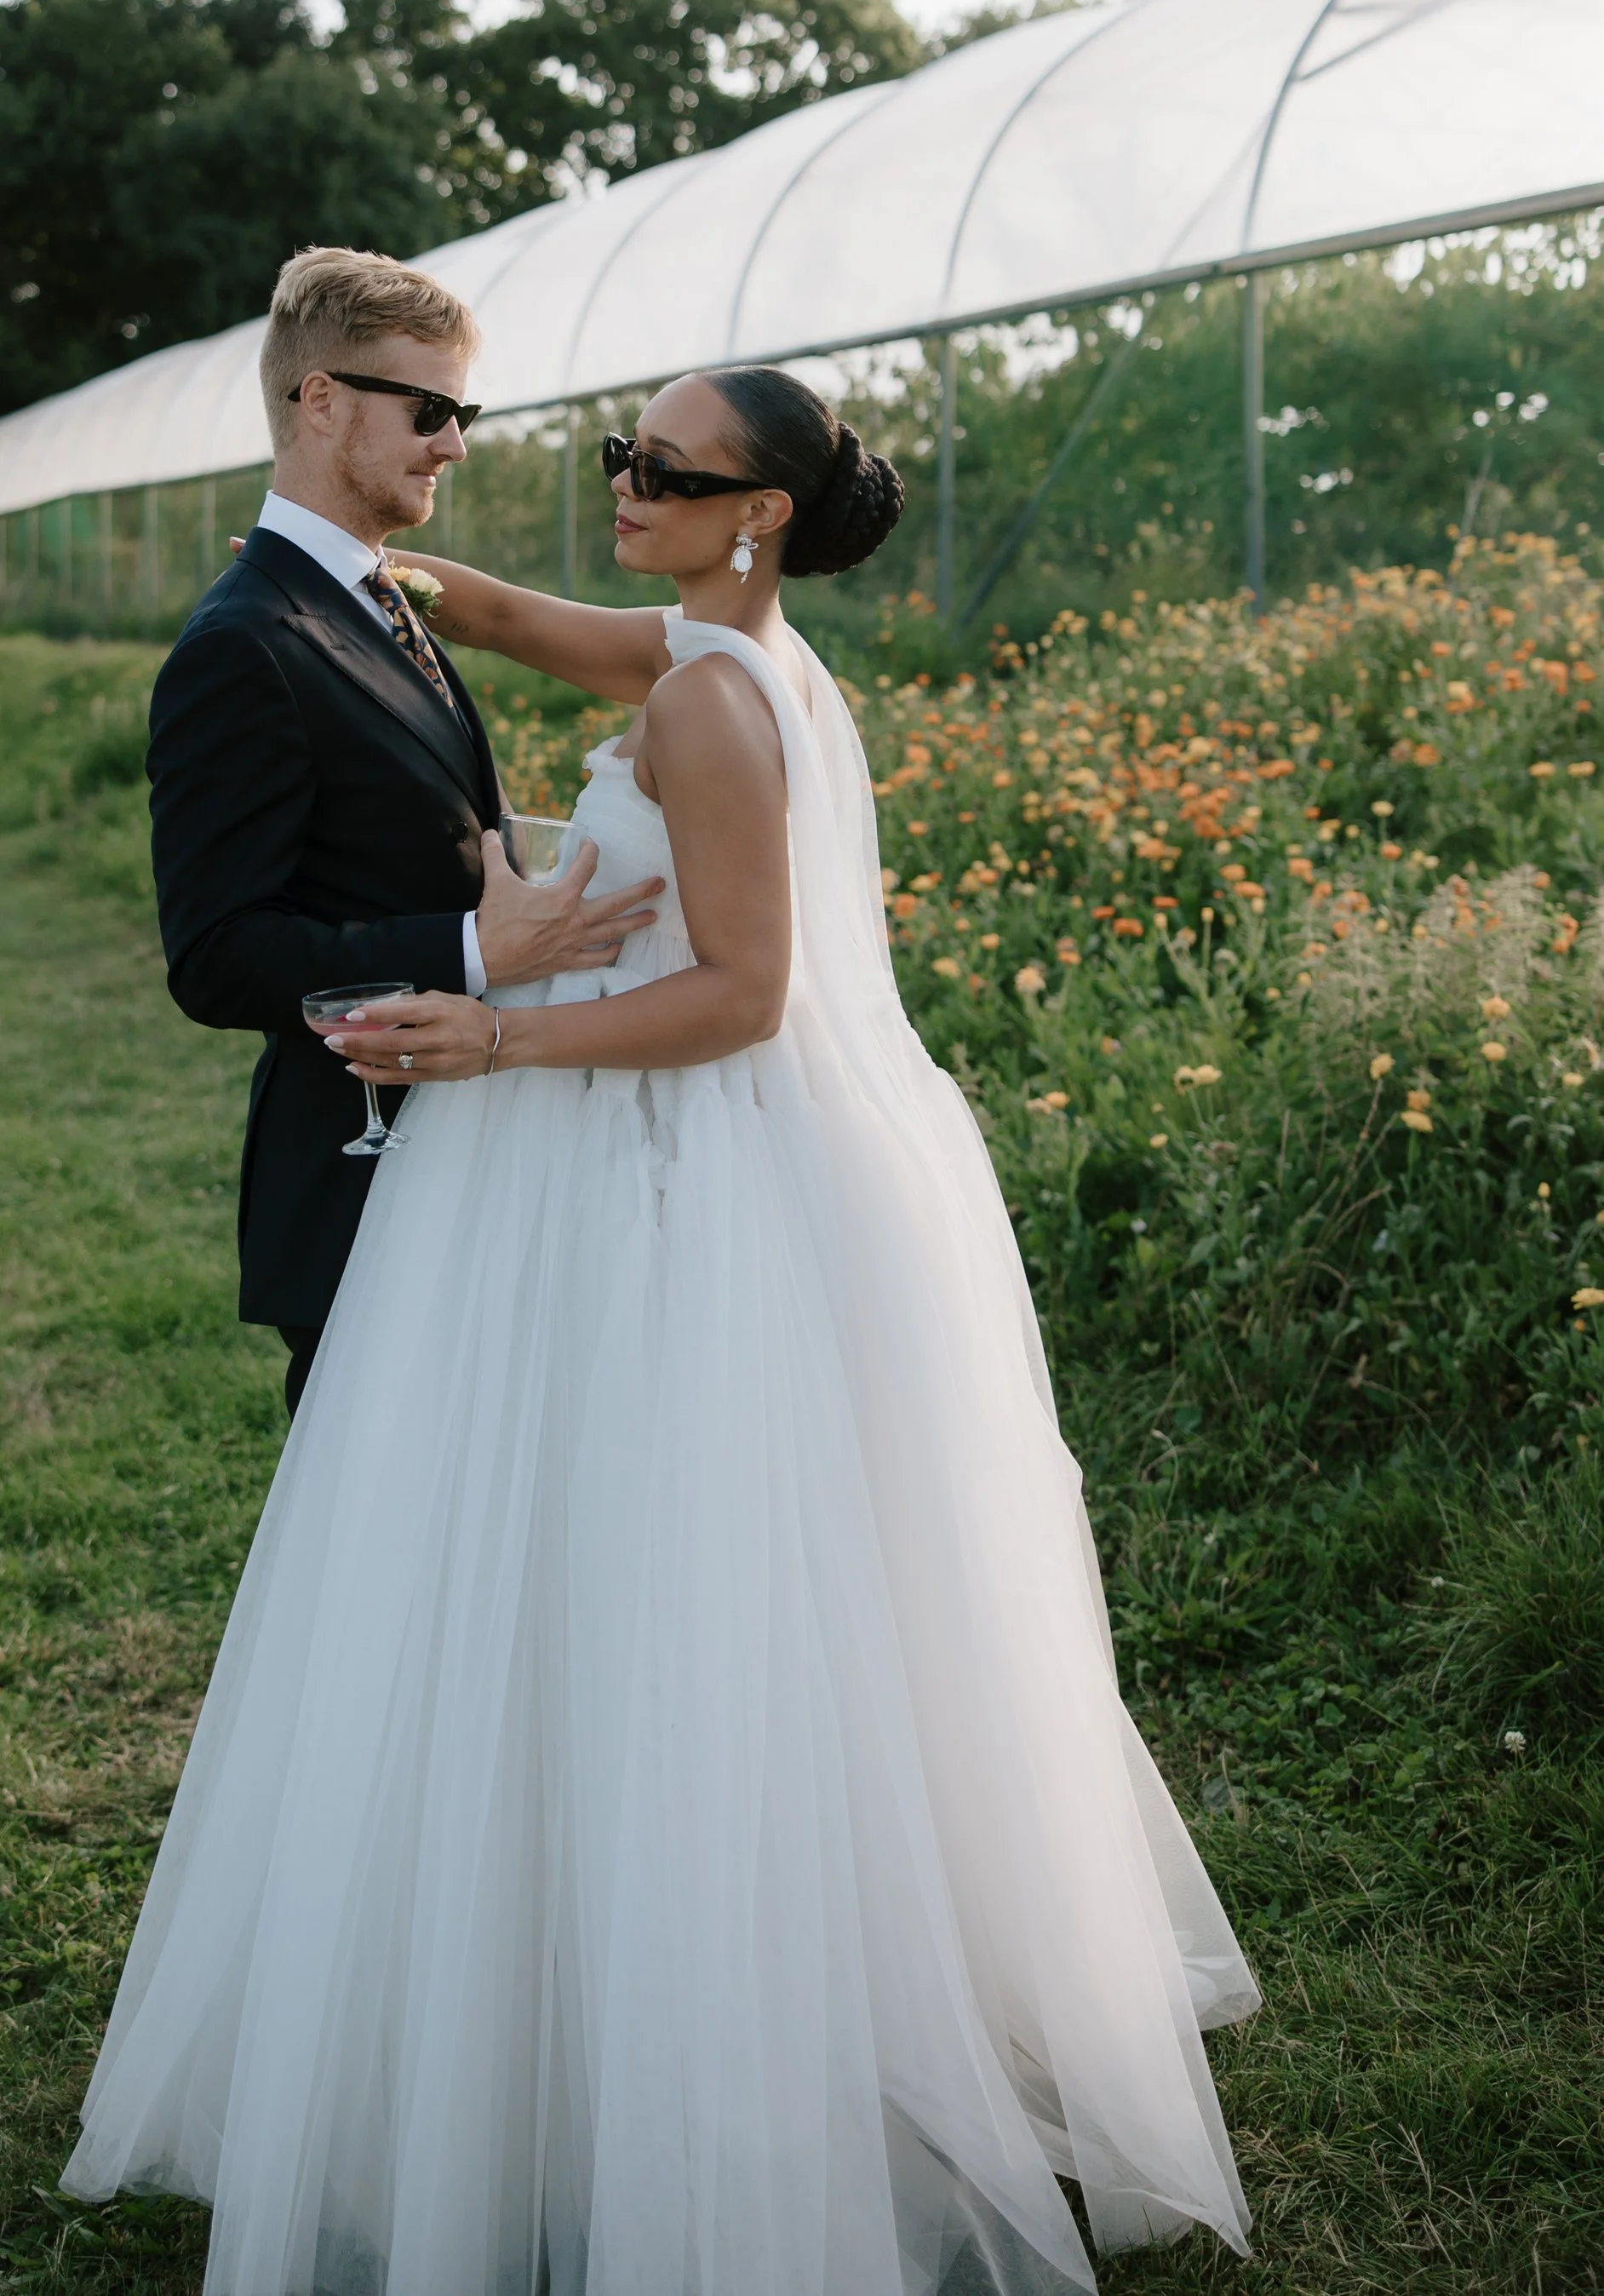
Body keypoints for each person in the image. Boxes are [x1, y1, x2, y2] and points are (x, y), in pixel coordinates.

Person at [67, 355, 1260, 2293]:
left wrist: (494, 1028)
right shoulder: (713, 645)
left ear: (759, 512)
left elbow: (740, 996)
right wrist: (351, 544)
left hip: (669, 1179)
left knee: (670, 1615)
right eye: (619, 451)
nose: (619, 483)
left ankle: (690, 2065)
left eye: (661, 469)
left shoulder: (713, 702)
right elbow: (522, 615)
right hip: (641, 1159)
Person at [145, 245, 666, 1415]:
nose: (455, 444)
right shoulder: (242, 643)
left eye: (463, 412)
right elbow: (219, 953)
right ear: (320, 401)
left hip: (471, 1157)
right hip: (358, 1175)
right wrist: (482, 952)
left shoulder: (376, 593)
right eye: (430, 411)